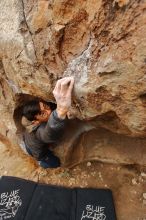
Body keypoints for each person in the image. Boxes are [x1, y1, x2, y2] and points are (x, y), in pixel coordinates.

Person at [20, 77, 74, 169]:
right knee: (55, 163)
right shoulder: (39, 131)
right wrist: (61, 111)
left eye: (46, 106)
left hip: (28, 142)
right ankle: (41, 163)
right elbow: (48, 133)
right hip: (39, 153)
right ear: (36, 121)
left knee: (33, 148)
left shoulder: (27, 119)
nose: (48, 111)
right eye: (42, 113)